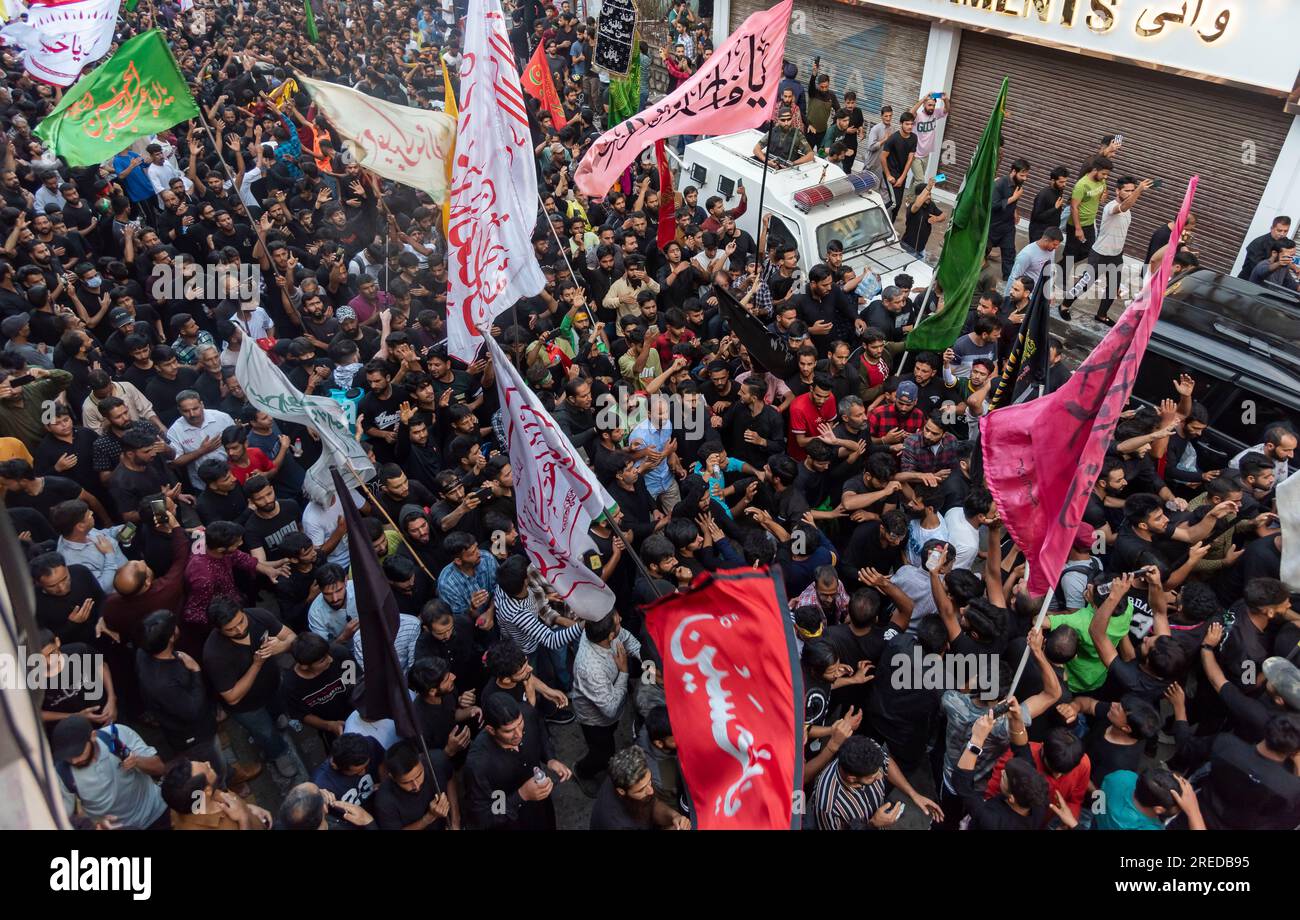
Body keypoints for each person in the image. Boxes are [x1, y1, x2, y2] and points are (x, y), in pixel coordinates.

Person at [589, 746, 690, 830]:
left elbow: (652, 804)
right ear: (621, 791)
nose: (651, 791)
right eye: (641, 790)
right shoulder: (615, 823)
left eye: (649, 781)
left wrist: (674, 817)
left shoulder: (622, 778)